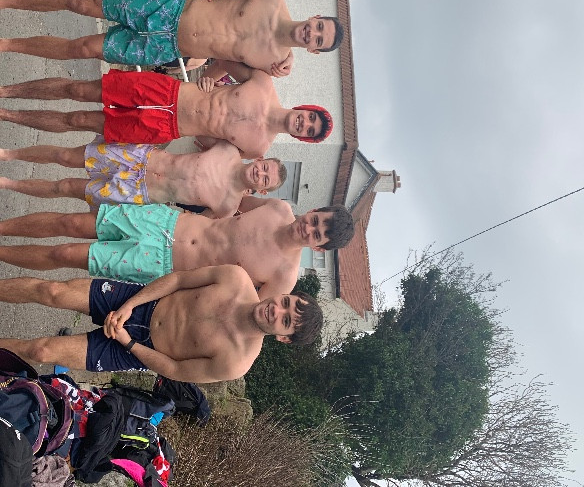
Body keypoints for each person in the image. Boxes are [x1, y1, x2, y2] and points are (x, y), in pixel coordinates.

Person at [0, 265, 323, 382]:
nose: (276, 310)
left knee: (42, 352)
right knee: (53, 291)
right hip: (142, 301)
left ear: (284, 338)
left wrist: (128, 342)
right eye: (286, 302)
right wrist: (129, 305)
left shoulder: (236, 362)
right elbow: (179, 280)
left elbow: (175, 370)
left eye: (285, 321)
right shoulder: (236, 279)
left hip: (135, 349)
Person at [0, 0, 344, 74]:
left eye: (318, 40)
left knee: (83, 49)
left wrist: (212, 79)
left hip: (166, 47)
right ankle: (6, 2)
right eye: (318, 26)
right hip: (170, 8)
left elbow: (226, 67)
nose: (311, 33)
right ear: (314, 16)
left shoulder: (272, 63)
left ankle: (8, 44)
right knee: (81, 3)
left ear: (314, 51)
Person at [0, 201, 354, 302]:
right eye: (316, 220)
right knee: (71, 223)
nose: (310, 228)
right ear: (314, 211)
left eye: (318, 234)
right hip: (166, 222)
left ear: (318, 246)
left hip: (161, 264)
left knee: (66, 254)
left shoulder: (283, 277)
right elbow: (230, 200)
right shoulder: (277, 208)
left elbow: (239, 307)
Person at [0, 68, 333, 158]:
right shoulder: (263, 83)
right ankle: (7, 91)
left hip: (165, 127)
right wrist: (210, 77)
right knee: (80, 90)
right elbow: (226, 60)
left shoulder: (258, 148)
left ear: (302, 138)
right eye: (310, 117)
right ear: (305, 108)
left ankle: (7, 115)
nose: (304, 123)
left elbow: (212, 151)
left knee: (80, 121)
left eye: (308, 130)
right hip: (167, 91)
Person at [0, 137, 287, 219]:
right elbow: (196, 123)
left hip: (141, 193)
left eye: (265, 180)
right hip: (140, 157)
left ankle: (8, 184)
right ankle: (9, 154)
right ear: (259, 160)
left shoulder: (226, 207)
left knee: (66, 187)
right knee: (66, 156)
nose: (260, 174)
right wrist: (207, 81)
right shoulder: (228, 149)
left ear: (262, 190)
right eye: (264, 168)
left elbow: (191, 226)